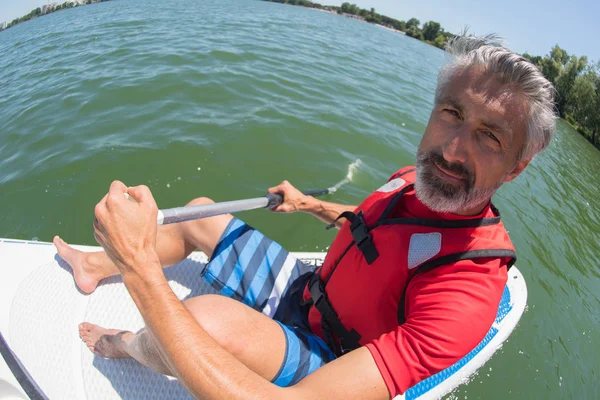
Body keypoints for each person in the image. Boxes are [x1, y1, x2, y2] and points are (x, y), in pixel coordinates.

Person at [54, 35, 556, 399]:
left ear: (516, 166)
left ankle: (125, 345)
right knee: (200, 214)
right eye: (452, 113)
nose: (452, 149)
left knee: (203, 321)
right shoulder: (415, 178)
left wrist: (143, 268)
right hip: (308, 290)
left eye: (489, 136)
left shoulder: (464, 291)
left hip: (329, 354)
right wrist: (310, 204)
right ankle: (98, 265)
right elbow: (372, 226)